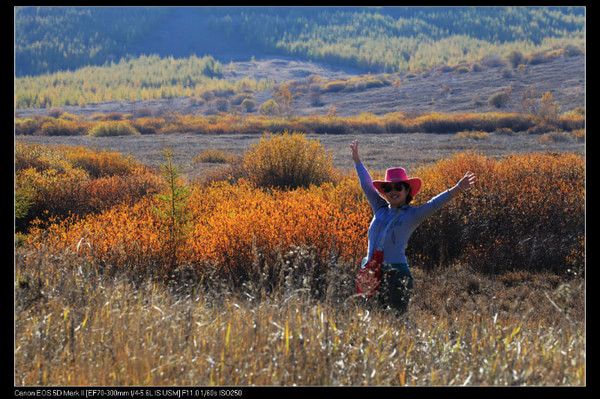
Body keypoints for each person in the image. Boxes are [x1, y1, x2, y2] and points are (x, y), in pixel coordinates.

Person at [350, 139, 475, 314]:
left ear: (407, 190)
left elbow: (433, 204)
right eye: (388, 187)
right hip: (370, 271)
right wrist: (357, 161)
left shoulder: (412, 215)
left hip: (396, 275)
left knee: (396, 320)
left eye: (398, 187)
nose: (393, 191)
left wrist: (457, 188)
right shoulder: (379, 208)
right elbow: (366, 185)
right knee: (371, 320)